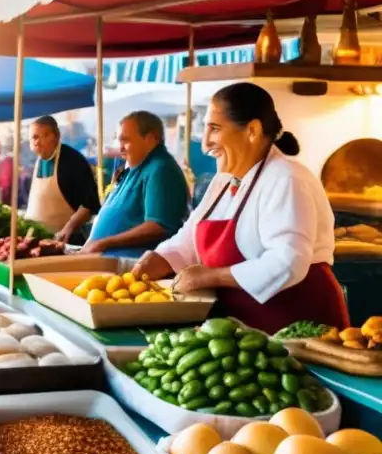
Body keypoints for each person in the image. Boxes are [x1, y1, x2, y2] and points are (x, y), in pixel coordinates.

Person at [133, 82, 348, 334]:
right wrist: (156, 259)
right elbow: (188, 240)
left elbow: (287, 262)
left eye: (214, 129)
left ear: (252, 130)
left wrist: (209, 276)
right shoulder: (224, 182)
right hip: (244, 329)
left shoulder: (287, 179)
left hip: (296, 326)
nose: (204, 144)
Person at [82, 111, 190, 257]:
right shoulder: (135, 166)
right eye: (119, 141)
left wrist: (103, 243)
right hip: (102, 259)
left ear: (151, 138)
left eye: (125, 141)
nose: (120, 148)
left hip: (131, 266)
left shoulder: (161, 169)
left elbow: (158, 226)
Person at [26, 117, 101, 244]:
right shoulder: (38, 162)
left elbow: (90, 204)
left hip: (67, 240)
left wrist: (69, 227)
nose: (37, 142)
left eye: (43, 136)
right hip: (37, 239)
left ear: (56, 136)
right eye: (34, 137)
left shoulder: (74, 161)